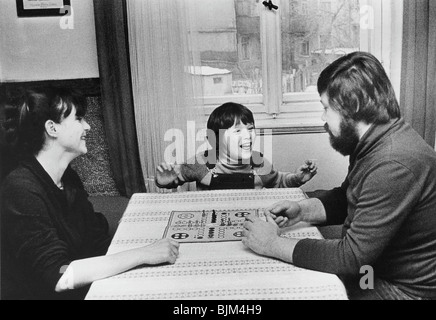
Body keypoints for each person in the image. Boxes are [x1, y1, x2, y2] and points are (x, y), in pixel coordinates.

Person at [242, 52, 436, 300]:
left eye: (326, 108)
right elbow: (349, 198)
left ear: (352, 107)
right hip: (376, 272)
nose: (323, 118)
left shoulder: (392, 163)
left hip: (403, 291)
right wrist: (302, 211)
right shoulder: (376, 141)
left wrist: (271, 244)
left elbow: (352, 258)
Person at [0, 87, 180, 300]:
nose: (88, 126)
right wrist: (144, 254)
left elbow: (97, 241)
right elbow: (60, 274)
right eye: (79, 119)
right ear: (52, 128)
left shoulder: (68, 178)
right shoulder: (21, 189)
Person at [155, 102, 317, 190]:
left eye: (250, 129)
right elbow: (175, 177)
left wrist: (297, 178)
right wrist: (164, 181)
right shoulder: (201, 163)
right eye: (238, 131)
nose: (247, 136)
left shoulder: (259, 164)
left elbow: (279, 182)